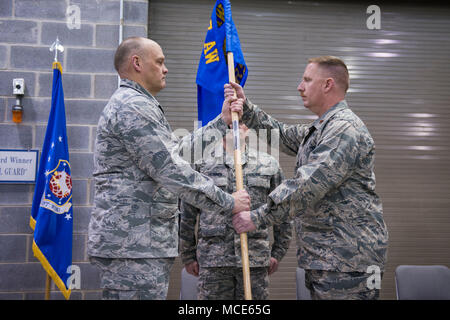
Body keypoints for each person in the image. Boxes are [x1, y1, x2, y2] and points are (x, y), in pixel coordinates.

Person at [87, 37, 250, 300]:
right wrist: (228, 202)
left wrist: (220, 122)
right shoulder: (133, 106)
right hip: (133, 245)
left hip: (140, 243)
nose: (166, 69)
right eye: (160, 62)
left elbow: (177, 154)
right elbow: (171, 170)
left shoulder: (141, 103)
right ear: (137, 63)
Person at [227, 56, 389, 300]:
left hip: (347, 259)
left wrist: (258, 217)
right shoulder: (322, 128)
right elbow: (281, 134)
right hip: (329, 258)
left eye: (307, 80)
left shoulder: (344, 129)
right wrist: (245, 108)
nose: (299, 87)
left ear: (328, 84)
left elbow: (308, 185)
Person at [180, 123, 292, 300]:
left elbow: (283, 211)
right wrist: (188, 255)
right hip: (213, 261)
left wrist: (277, 252)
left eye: (242, 121)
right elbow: (187, 213)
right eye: (230, 122)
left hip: (254, 261)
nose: (236, 125)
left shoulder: (268, 164)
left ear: (248, 128)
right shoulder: (201, 164)